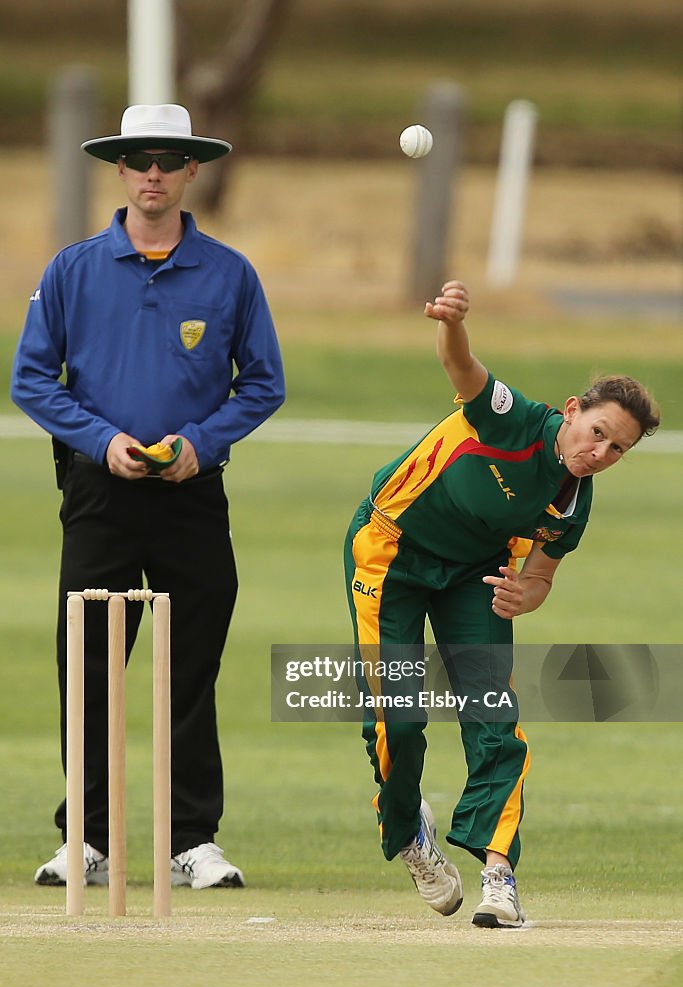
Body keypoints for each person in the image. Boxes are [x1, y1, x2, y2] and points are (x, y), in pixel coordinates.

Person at [11, 104, 285, 890]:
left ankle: (190, 839)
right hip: (100, 491)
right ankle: (87, 839)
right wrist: (103, 442)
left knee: (189, 666)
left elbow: (262, 382)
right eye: (140, 161)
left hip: (192, 493)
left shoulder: (229, 272)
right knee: (90, 663)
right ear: (121, 171)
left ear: (192, 170)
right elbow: (33, 377)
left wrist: (201, 442)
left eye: (169, 161)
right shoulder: (73, 267)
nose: (154, 174)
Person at [344, 280, 659, 927]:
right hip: (391, 552)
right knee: (396, 723)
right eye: (596, 432)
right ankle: (409, 832)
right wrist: (451, 321)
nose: (597, 453)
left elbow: (540, 575)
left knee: (494, 719)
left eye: (615, 449)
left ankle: (497, 876)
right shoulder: (511, 416)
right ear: (571, 411)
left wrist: (527, 594)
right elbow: (461, 367)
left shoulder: (573, 498)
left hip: (473, 576)